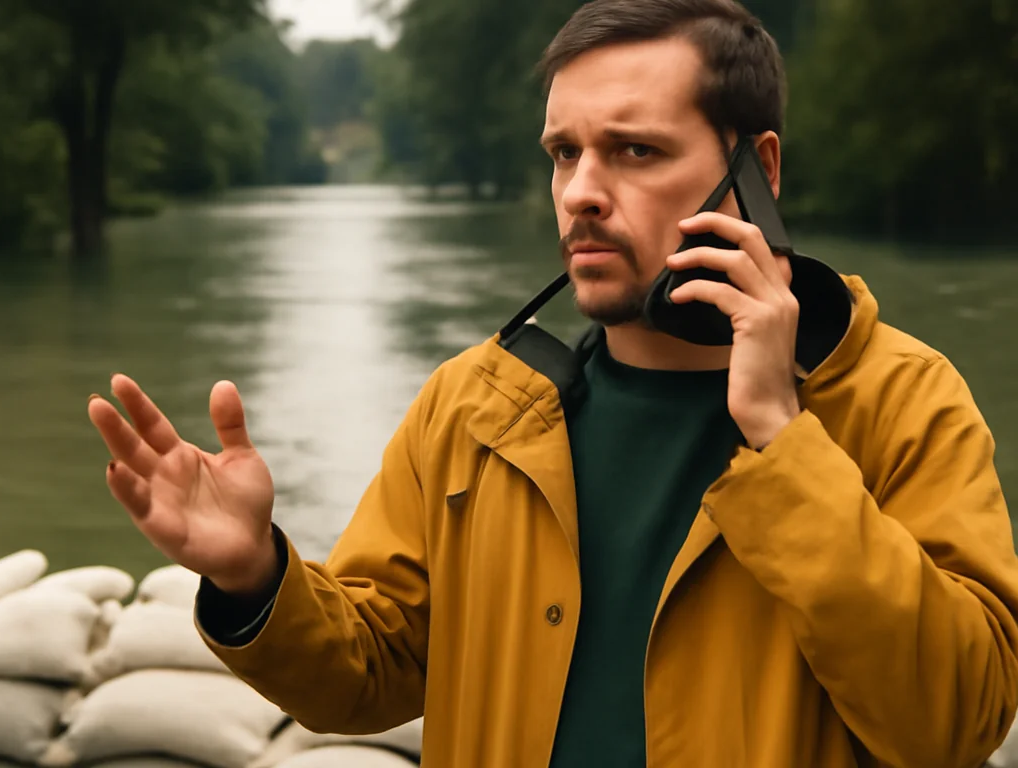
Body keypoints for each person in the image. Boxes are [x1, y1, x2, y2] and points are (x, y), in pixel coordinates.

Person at [86, 0, 1018, 766]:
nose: (580, 191)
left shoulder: (899, 402)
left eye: (635, 151)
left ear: (755, 172)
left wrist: (781, 436)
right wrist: (252, 576)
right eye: (565, 153)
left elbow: (957, 723)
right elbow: (367, 675)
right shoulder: (476, 407)